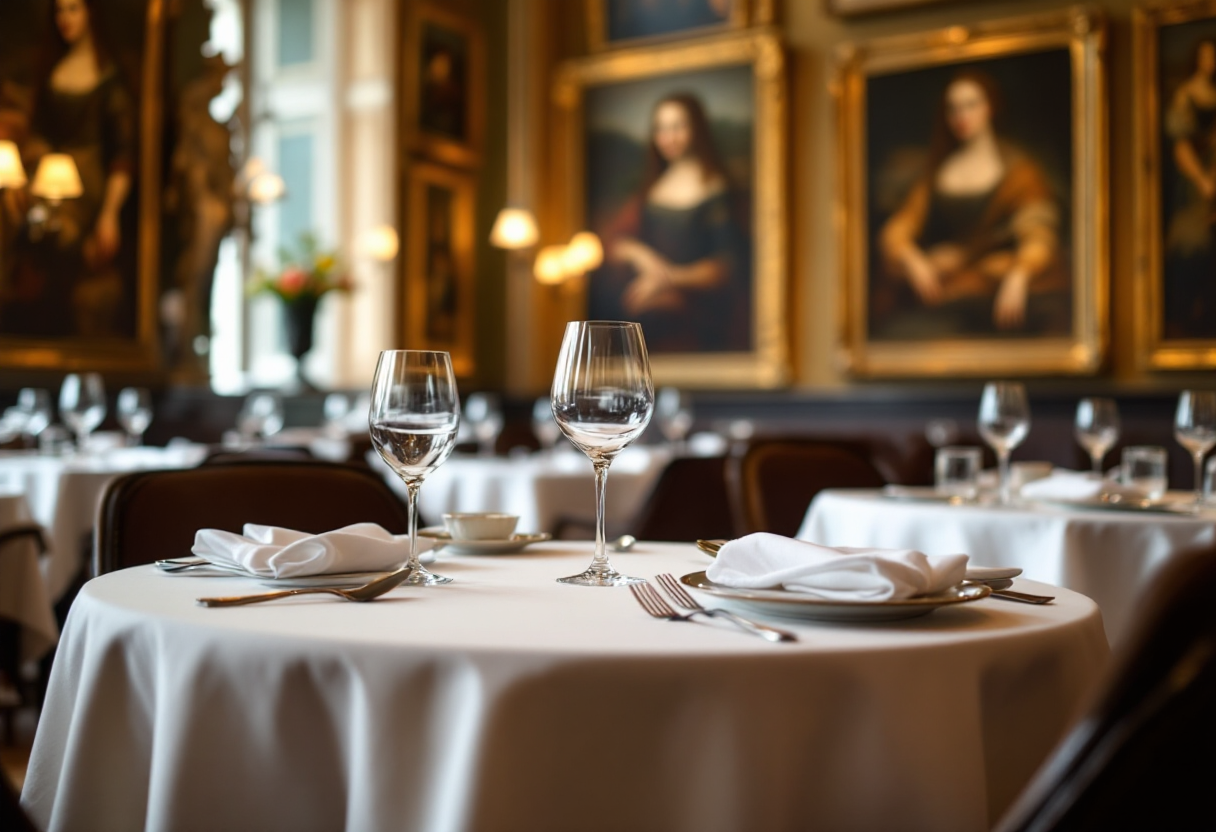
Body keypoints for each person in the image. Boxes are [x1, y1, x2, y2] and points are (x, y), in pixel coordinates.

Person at [876, 69, 1067, 336]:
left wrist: (1020, 273)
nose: (961, 116)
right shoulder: (939, 172)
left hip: (1001, 283)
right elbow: (900, 227)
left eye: (970, 105)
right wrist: (912, 259)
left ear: (990, 107)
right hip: (952, 286)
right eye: (953, 109)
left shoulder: (1019, 171)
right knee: (904, 330)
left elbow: (1039, 233)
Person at [1, 0, 135, 338]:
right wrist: (21, 180)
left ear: (91, 13)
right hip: (44, 174)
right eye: (60, 11)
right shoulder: (50, 73)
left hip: (86, 186)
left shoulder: (109, 78)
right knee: (20, 220)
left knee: (64, 239)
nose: (65, 19)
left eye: (73, 9)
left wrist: (110, 214)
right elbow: (37, 134)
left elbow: (123, 151)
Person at [595, 92, 748, 353]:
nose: (669, 137)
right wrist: (641, 255)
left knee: (650, 316)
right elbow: (616, 242)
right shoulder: (651, 188)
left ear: (697, 129)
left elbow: (725, 266)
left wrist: (666, 279)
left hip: (699, 305)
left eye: (678, 127)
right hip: (650, 286)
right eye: (662, 128)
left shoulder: (714, 188)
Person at [1163, 39, 1216, 340]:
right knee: (1190, 243)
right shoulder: (1186, 95)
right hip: (1195, 183)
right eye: (1207, 56)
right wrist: (1203, 181)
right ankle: (1186, 313)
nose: (1211, 62)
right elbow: (1181, 147)